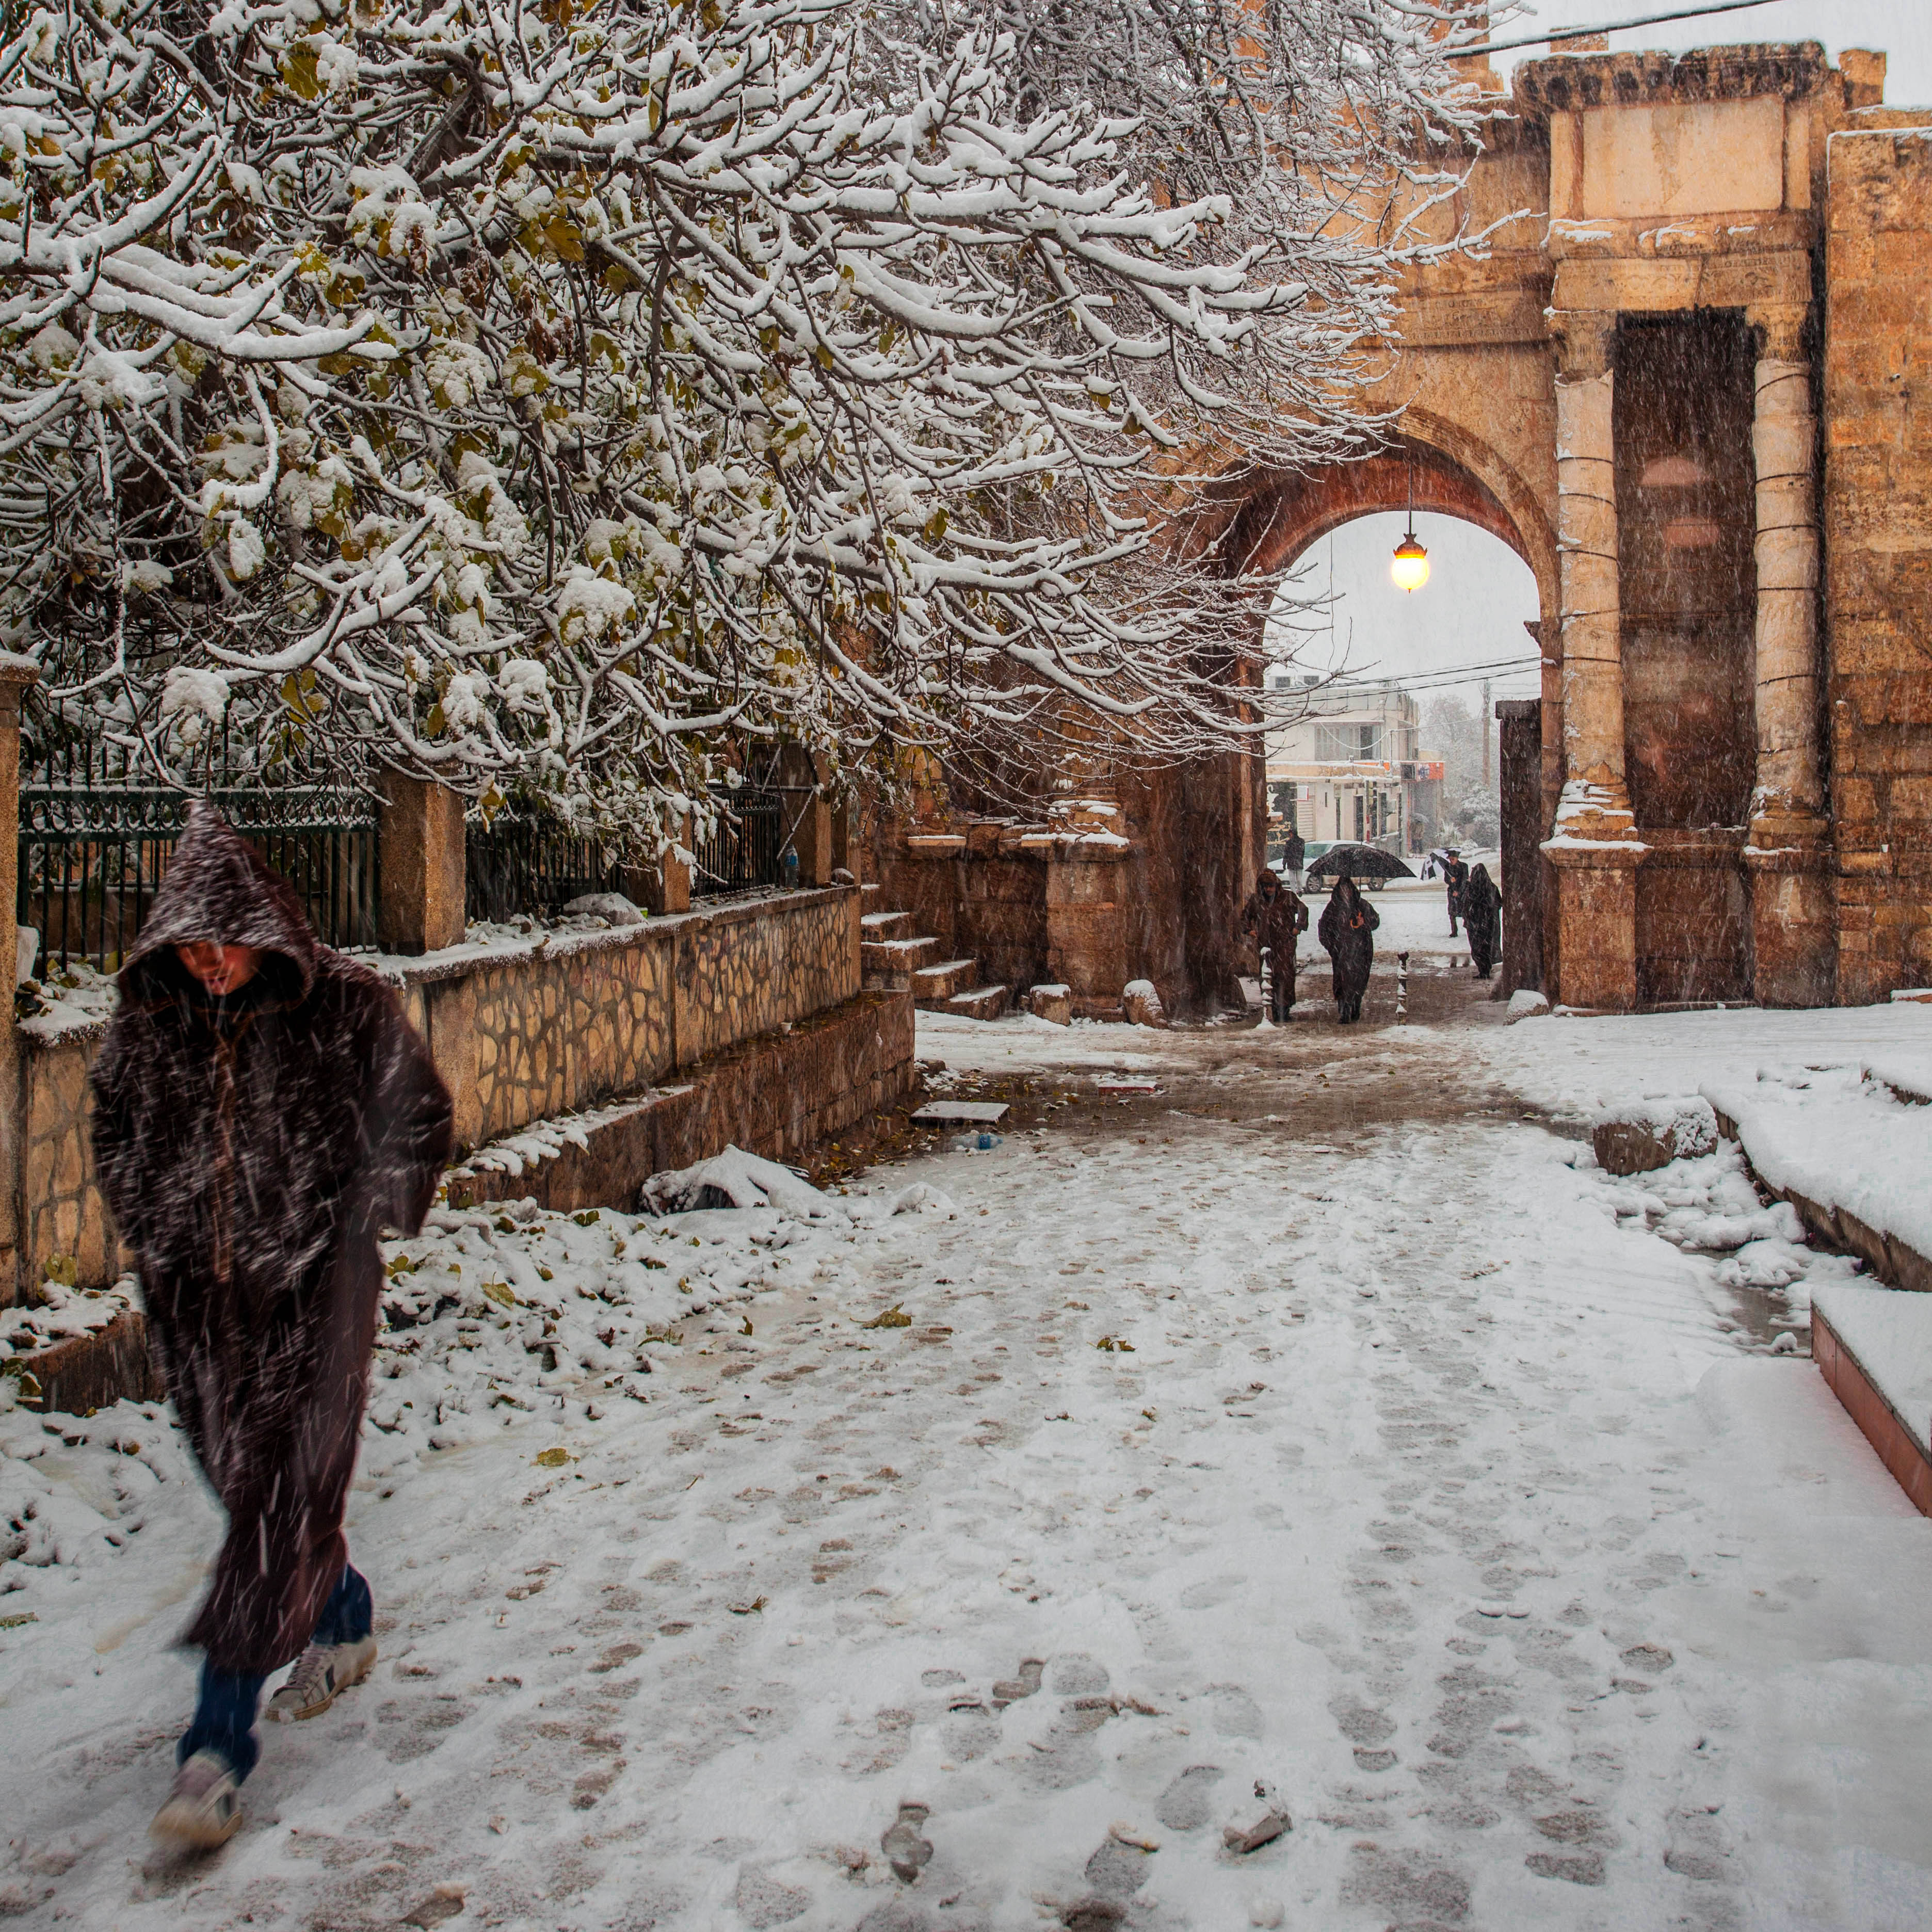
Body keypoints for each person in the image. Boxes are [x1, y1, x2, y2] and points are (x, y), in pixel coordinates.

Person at [90, 805, 454, 1850]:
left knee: (273, 1508)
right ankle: (341, 1614)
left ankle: (214, 1753)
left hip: (315, 1298)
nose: (209, 962)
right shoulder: (150, 1022)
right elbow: (114, 1126)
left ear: (264, 924)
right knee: (247, 1488)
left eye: (225, 940)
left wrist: (354, 1221)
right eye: (191, 944)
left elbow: (418, 1118)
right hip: (198, 1308)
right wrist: (155, 1225)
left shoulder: (342, 1005)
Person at [1239, 866, 1309, 1023]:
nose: (1269, 889)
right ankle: (1271, 1008)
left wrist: (1298, 927)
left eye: (1271, 886)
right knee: (1269, 976)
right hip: (1266, 945)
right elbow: (1245, 916)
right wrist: (1248, 930)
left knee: (1285, 975)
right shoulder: (1257, 900)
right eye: (1266, 886)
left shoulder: (1288, 897)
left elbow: (1303, 909)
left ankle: (1284, 1009)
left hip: (1286, 943)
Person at [1318, 875, 1379, 1023]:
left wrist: (1364, 922)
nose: (1345, 892)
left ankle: (1356, 1006)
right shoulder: (1333, 908)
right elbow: (1324, 928)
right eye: (1342, 889)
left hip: (1361, 951)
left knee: (1359, 980)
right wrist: (1332, 947)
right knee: (1342, 981)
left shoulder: (1362, 905)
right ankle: (1344, 1011)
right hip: (1341, 952)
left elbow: (1376, 921)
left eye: (1348, 889)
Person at [1462, 862, 1502, 980]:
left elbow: (1470, 903)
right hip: (1488, 924)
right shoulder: (1492, 887)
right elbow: (1498, 903)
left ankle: (1483, 970)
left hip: (1476, 924)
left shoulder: (1474, 888)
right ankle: (1486, 969)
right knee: (1486, 947)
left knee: (1478, 947)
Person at [1443, 848, 1469, 936]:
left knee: (1464, 910)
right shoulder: (1447, 867)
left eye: (1453, 859)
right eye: (1450, 859)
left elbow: (1464, 880)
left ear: (1457, 858)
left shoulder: (1464, 866)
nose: (1451, 861)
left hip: (1462, 891)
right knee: (1452, 911)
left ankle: (1468, 927)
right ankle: (1454, 931)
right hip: (1452, 891)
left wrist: (1458, 890)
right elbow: (1446, 879)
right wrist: (1450, 881)